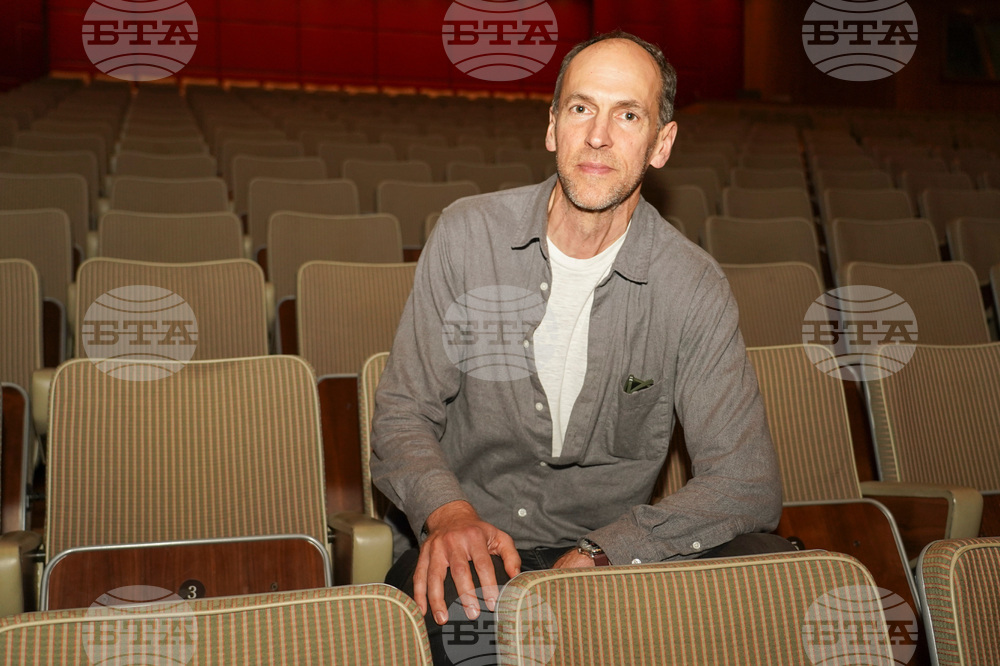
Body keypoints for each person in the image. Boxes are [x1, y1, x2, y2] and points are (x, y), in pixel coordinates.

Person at [371, 30, 788, 664]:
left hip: (611, 559)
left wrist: (607, 551)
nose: (598, 135)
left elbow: (746, 482)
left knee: (768, 589)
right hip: (471, 549)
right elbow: (403, 414)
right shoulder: (467, 236)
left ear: (661, 144)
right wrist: (448, 515)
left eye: (628, 115)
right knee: (478, 637)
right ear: (552, 127)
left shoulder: (693, 286)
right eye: (581, 107)